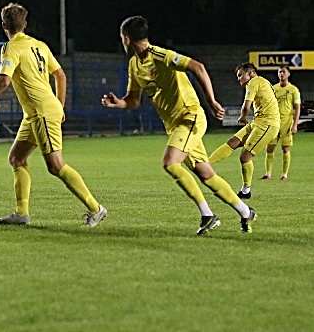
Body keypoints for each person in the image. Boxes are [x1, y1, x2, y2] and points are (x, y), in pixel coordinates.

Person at [103, 16, 256, 234]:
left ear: (126, 39)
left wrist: (211, 101)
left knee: (170, 163)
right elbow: (134, 100)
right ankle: (244, 211)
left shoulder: (160, 55)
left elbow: (198, 67)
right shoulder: (134, 65)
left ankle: (207, 215)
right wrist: (118, 103)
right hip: (175, 126)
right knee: (206, 175)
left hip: (190, 117)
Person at [0, 3, 106, 227]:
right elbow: (60, 75)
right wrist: (59, 106)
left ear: (4, 26)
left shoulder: (11, 47)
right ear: (25, 25)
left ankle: (95, 208)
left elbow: (4, 80)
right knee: (16, 158)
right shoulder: (39, 45)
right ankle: (22, 214)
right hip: (36, 113)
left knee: (56, 166)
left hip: (41, 111)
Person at [208, 63, 280, 200]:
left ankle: (246, 190)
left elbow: (246, 105)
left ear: (251, 73)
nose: (239, 78)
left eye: (241, 75)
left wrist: (242, 116)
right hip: (259, 122)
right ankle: (205, 164)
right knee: (233, 142)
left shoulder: (254, 82)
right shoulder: (262, 82)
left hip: (267, 124)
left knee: (245, 157)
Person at [261, 65, 301, 180]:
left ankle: (284, 174)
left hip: (286, 123)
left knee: (285, 148)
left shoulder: (293, 90)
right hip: (274, 122)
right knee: (269, 148)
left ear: (289, 74)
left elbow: (297, 108)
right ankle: (268, 174)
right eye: (279, 72)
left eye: (283, 72)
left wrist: (295, 124)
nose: (281, 74)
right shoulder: (273, 89)